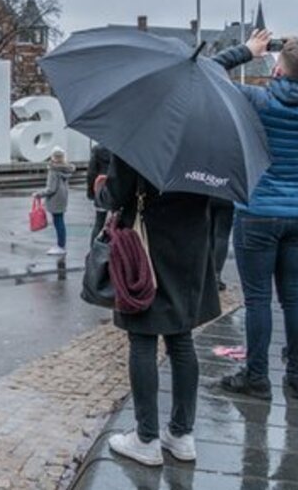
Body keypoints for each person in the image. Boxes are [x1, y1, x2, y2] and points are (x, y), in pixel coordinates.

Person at [215, 32, 298, 402]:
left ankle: (257, 376)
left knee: (257, 300)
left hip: (257, 211)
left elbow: (211, 71)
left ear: (277, 70)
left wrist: (249, 50)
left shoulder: (258, 100)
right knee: (294, 297)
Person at [100, 154, 217, 467]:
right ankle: (181, 434)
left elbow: (115, 193)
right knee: (181, 337)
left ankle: (147, 438)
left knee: (142, 337)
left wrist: (102, 190)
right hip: (192, 239)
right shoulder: (207, 135)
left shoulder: (142, 129)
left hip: (147, 240)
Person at [34, 148, 74, 261]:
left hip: (55, 198)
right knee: (60, 220)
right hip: (63, 196)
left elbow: (51, 189)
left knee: (58, 222)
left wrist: (39, 194)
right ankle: (61, 244)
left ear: (53, 157)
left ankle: (61, 246)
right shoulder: (66, 168)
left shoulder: (53, 170)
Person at [86, 143, 113, 248]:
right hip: (115, 188)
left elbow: (91, 173)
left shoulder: (97, 150)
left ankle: (93, 249)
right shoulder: (117, 149)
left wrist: (91, 193)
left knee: (99, 222)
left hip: (100, 187)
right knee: (117, 222)